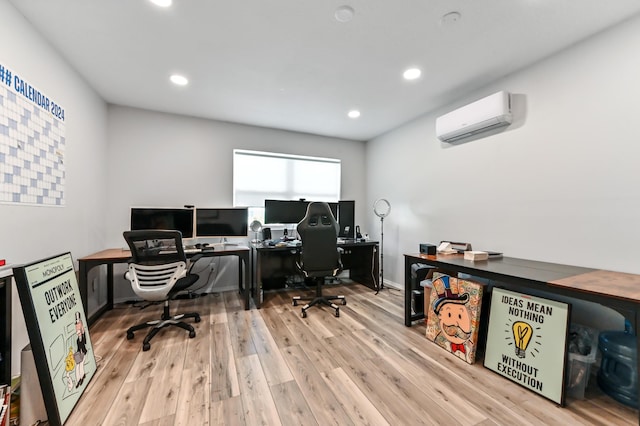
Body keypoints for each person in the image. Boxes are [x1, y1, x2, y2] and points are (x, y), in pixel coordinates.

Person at [74, 311, 88, 387]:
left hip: (83, 352)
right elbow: (78, 348)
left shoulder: (83, 337)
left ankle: (81, 377)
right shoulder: (77, 340)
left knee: (81, 365)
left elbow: (82, 332)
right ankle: (79, 379)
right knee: (78, 366)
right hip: (79, 353)